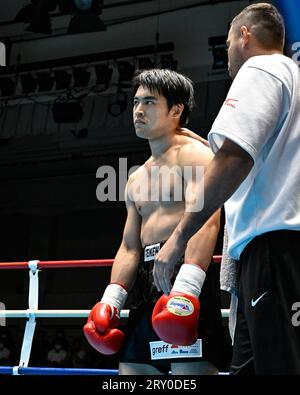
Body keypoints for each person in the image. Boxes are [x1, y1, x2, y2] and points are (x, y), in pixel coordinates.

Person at [153, 3, 300, 374]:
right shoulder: (292, 78)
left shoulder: (261, 68)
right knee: (250, 366)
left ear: (244, 36)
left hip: (275, 248)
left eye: (229, 41)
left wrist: (179, 237)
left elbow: (234, 158)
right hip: (279, 249)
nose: (228, 54)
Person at [83, 68, 226, 375]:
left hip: (184, 274)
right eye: (136, 102)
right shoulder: (135, 178)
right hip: (145, 289)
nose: (138, 110)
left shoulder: (197, 156)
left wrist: (187, 289)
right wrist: (112, 299)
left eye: (149, 102)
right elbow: (129, 246)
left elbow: (208, 222)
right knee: (131, 373)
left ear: (176, 109)